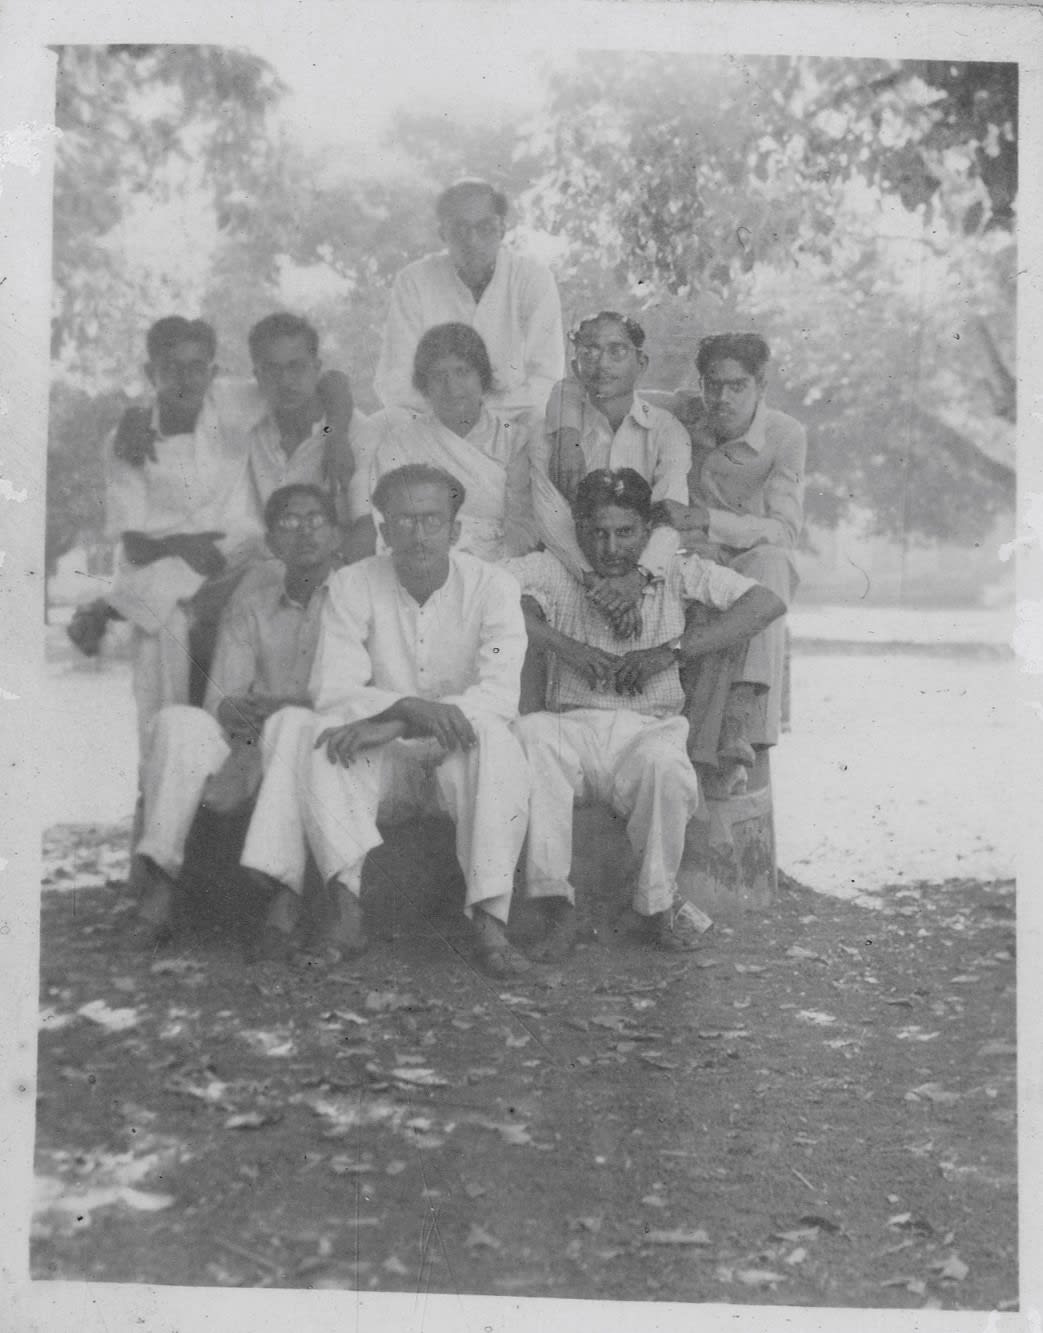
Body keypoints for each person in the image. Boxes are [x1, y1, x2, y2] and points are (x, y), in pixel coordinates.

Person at [239, 464, 533, 978]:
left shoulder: (494, 586)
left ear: (455, 530)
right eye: (404, 521)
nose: (418, 535)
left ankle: (489, 920)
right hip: (386, 766)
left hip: (453, 757)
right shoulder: (352, 584)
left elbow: (500, 693)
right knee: (322, 737)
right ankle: (346, 914)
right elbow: (334, 687)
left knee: (497, 739)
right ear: (383, 531)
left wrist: (399, 719)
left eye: (431, 521)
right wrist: (405, 711)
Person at [506, 469, 785, 962]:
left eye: (625, 532)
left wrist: (670, 652)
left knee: (668, 767)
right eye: (597, 532)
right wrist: (564, 645)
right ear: (579, 530)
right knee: (530, 736)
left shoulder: (675, 571)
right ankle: (555, 904)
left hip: (648, 732)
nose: (611, 547)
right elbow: (481, 589)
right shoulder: (556, 569)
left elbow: (765, 602)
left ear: (647, 532)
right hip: (572, 728)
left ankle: (652, 904)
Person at [128, 484, 341, 947]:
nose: (303, 531)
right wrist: (237, 709)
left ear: (336, 535)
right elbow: (223, 699)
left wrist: (284, 707)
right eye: (288, 521)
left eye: (315, 519)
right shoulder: (251, 604)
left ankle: (283, 902)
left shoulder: (355, 600)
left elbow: (352, 696)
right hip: (248, 736)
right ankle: (161, 891)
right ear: (271, 540)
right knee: (179, 723)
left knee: (295, 727)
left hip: (316, 737)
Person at [669, 333, 806, 754]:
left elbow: (784, 528)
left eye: (737, 386)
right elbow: (616, 388)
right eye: (713, 385)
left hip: (745, 556)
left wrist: (713, 522)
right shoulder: (684, 412)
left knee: (772, 563)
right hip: (688, 556)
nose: (722, 397)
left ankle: (740, 715)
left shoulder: (785, 435)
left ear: (760, 387)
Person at [535, 310, 705, 638]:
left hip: (647, 564)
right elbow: (550, 518)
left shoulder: (666, 431)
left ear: (641, 363)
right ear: (575, 367)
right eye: (589, 351)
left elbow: (670, 512)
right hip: (573, 565)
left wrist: (636, 579)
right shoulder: (552, 435)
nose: (602, 364)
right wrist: (597, 582)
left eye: (617, 351)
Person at [374, 179, 564, 421]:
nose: (473, 241)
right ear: (443, 233)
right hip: (432, 423)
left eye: (485, 228)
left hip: (512, 422)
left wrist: (479, 415)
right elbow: (395, 381)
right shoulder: (414, 281)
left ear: (502, 230)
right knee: (384, 424)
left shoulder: (532, 279)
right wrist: (451, 415)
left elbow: (548, 379)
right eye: (460, 229)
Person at [348, 323, 539, 563]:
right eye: (439, 376)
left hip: (499, 567)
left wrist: (486, 576)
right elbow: (388, 519)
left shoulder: (514, 441)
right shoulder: (399, 443)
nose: (452, 387)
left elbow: (522, 526)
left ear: (482, 377)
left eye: (462, 372)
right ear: (425, 386)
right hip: (422, 566)